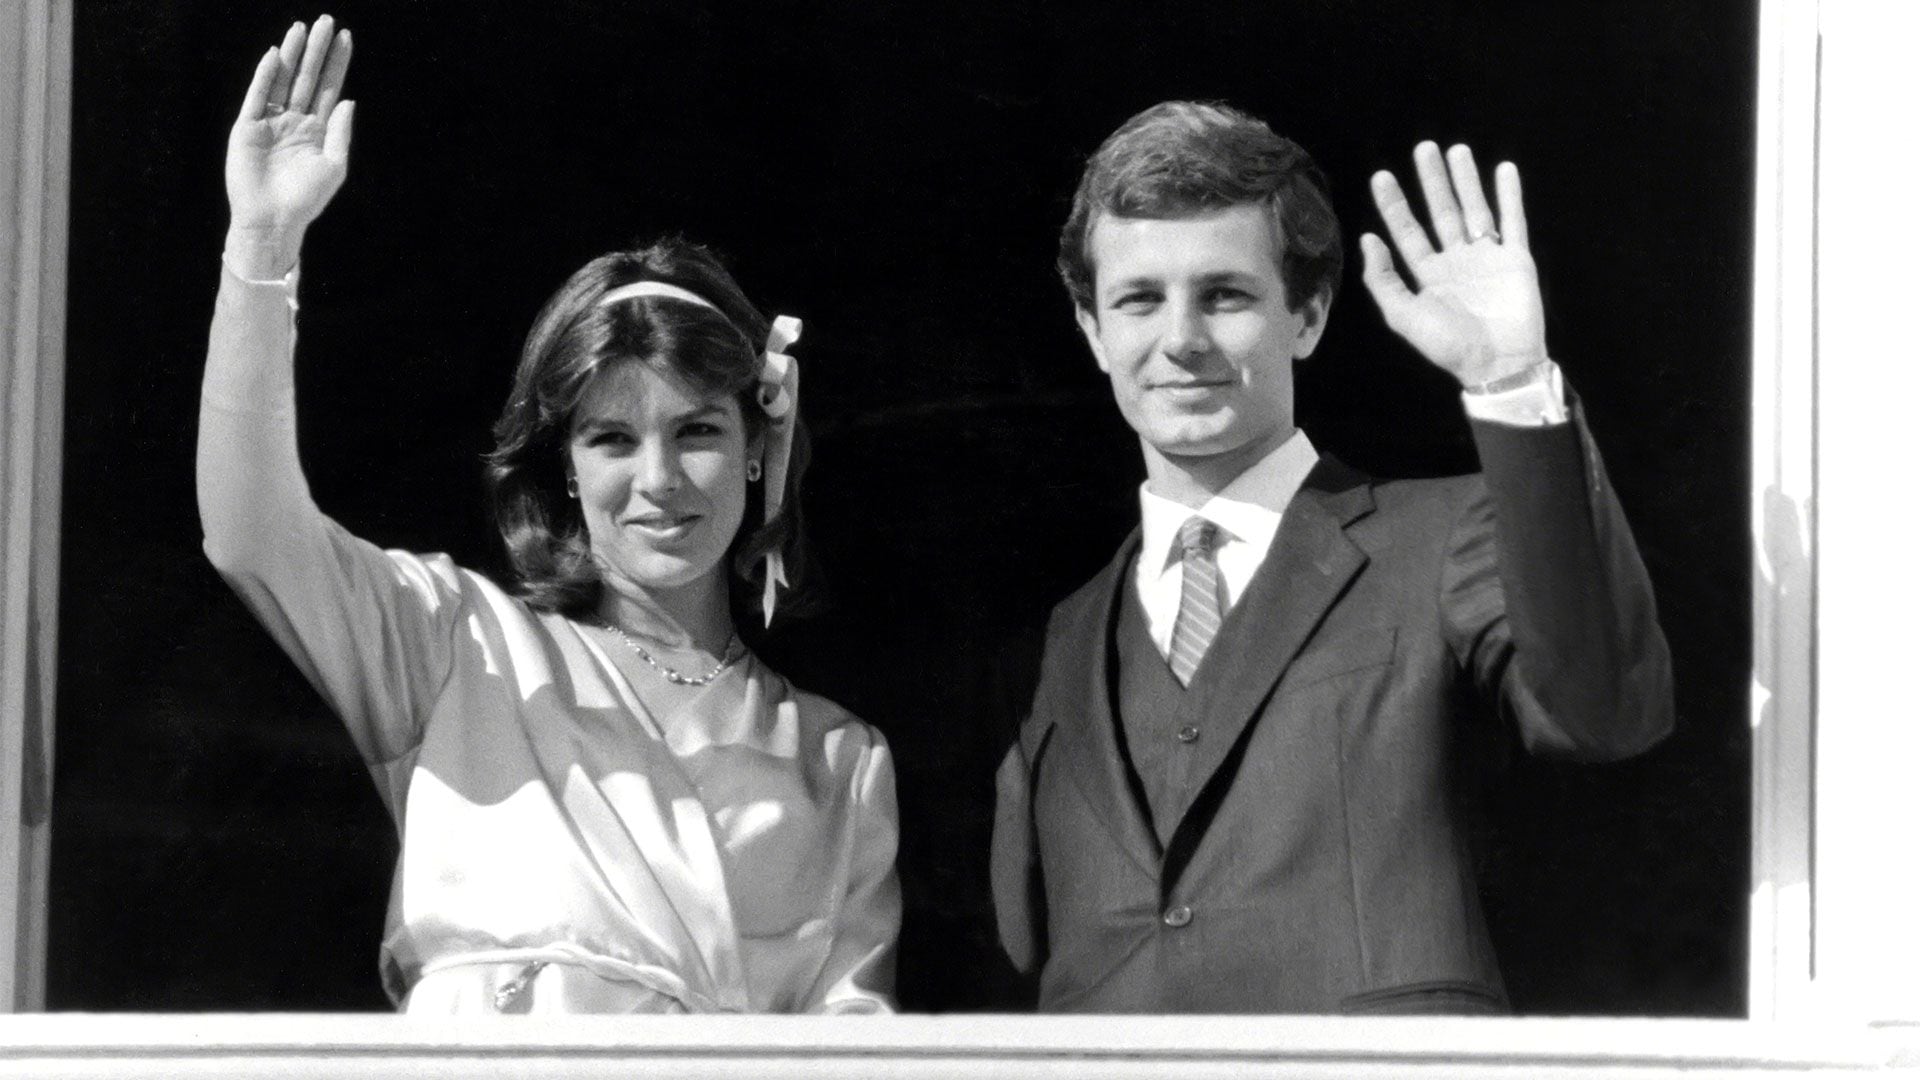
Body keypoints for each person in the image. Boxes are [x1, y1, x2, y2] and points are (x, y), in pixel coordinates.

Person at [198, 16, 898, 1014]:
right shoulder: (459, 649)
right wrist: (263, 244)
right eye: (612, 439)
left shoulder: (839, 760)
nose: (658, 480)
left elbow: (854, 1050)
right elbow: (248, 528)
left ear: (759, 445)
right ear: (565, 469)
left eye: (695, 431)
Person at [989, 101, 1674, 1014]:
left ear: (1307, 315)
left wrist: (1508, 380)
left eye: (1225, 294)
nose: (1181, 338)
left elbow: (1606, 711)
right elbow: (1023, 944)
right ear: (1092, 330)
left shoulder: (1441, 534)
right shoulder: (1057, 641)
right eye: (1140, 299)